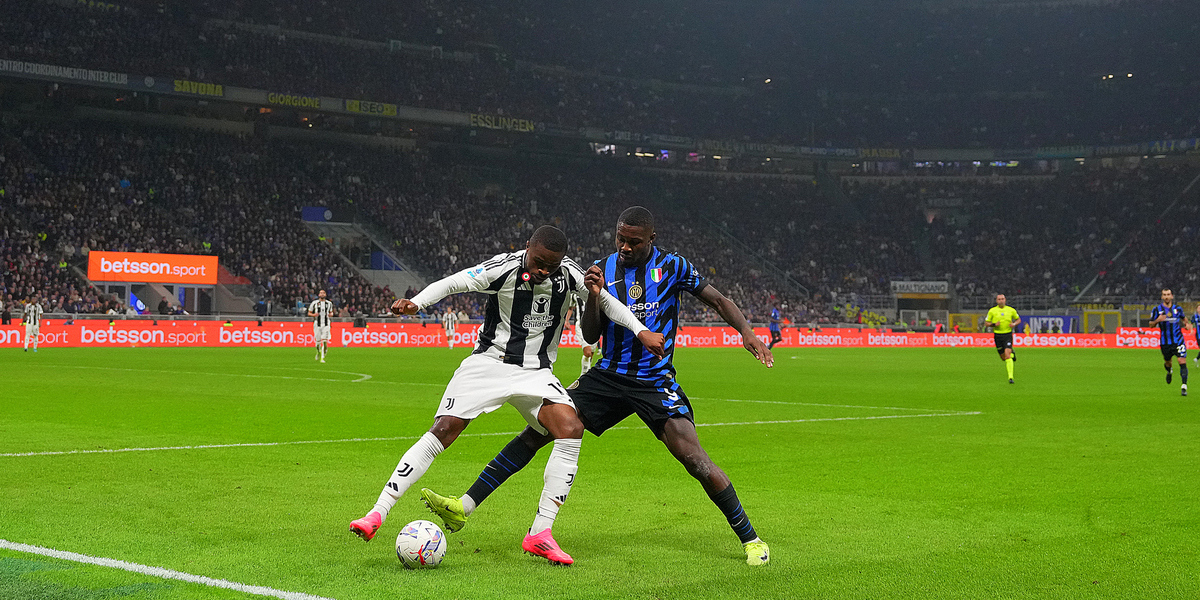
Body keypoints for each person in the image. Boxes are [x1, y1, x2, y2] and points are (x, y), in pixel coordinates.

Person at [420, 206, 775, 566]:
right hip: (607, 376)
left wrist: (746, 333)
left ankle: (752, 539)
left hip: (654, 379)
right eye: (620, 238)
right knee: (539, 431)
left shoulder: (674, 266)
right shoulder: (600, 270)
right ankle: (464, 506)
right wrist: (593, 295)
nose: (625, 246)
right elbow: (591, 333)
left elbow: (718, 299)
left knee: (694, 459)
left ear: (651, 239)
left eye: (634, 241)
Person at [348, 225, 665, 567]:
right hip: (488, 364)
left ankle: (540, 532)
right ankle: (377, 513)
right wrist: (417, 302)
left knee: (571, 428)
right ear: (528, 247)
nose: (543, 269)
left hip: (536, 373)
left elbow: (609, 303)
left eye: (551, 264)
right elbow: (455, 282)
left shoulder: (570, 275)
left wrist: (641, 330)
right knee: (445, 429)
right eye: (539, 261)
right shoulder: (504, 267)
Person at [1149, 288, 1189, 396]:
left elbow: (1184, 319)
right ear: (1162, 297)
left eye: (1168, 294)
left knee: (1182, 361)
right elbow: (1151, 325)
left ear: (1172, 296)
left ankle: (1184, 386)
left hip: (1178, 340)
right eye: (1164, 295)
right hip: (1165, 342)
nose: (1166, 297)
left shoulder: (1178, 309)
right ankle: (1169, 370)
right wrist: (1158, 320)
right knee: (1168, 362)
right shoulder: (1157, 310)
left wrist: (1187, 325)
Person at [984, 294, 1021, 384]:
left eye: (1002, 299)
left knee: (1007, 355)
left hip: (1007, 335)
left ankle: (1010, 377)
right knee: (1004, 358)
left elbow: (1018, 319)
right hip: (997, 336)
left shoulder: (1011, 310)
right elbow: (986, 323)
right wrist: (994, 324)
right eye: (999, 299)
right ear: (996, 301)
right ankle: (1012, 354)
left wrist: (1014, 324)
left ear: (1005, 300)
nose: (1001, 300)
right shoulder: (992, 311)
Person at [308, 289, 334, 363]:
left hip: (326, 324)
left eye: (323, 293)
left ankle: (322, 357)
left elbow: (331, 312)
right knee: (318, 342)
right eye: (321, 293)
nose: (322, 294)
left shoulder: (329, 303)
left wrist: (331, 314)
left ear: (325, 295)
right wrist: (313, 315)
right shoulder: (314, 303)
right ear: (319, 295)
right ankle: (318, 352)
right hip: (317, 324)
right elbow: (309, 313)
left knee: (325, 341)